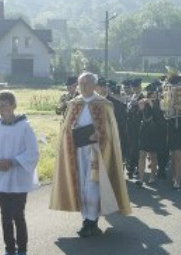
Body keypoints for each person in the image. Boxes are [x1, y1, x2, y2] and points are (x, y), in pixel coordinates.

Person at [50, 72, 131, 237]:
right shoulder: (74, 103)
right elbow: (66, 127)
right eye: (80, 83)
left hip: (97, 151)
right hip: (78, 150)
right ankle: (86, 219)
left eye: (86, 83)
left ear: (94, 85)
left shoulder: (103, 104)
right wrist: (70, 135)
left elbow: (111, 131)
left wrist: (99, 135)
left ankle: (91, 221)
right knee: (81, 184)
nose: (83, 86)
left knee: (92, 185)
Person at [0, 91, 40, 255]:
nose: (1, 110)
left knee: (18, 216)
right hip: (1, 176)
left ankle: (21, 253)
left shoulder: (24, 126)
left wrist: (13, 162)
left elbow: (32, 152)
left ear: (13, 106)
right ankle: (9, 252)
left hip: (17, 178)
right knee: (5, 216)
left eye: (5, 106)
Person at [161, 72, 181, 189]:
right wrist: (167, 109)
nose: (174, 86)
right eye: (172, 84)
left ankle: (177, 180)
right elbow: (163, 110)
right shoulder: (166, 93)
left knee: (178, 154)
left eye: (176, 83)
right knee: (172, 154)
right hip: (171, 124)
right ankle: (173, 176)